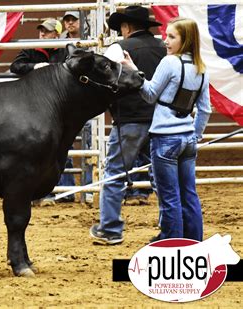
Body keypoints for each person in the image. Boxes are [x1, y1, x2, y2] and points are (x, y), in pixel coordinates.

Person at [122, 17, 211, 241]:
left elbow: (150, 94)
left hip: (165, 139)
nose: (165, 41)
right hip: (187, 139)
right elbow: (205, 109)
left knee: (170, 198)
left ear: (185, 40)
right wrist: (195, 135)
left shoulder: (170, 63)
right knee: (189, 195)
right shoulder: (201, 68)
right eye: (166, 35)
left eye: (172, 37)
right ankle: (194, 244)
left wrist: (134, 73)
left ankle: (174, 246)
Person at [89, 6, 166, 244]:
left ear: (126, 27)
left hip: (129, 119)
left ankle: (110, 229)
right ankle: (170, 228)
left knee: (114, 174)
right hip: (161, 120)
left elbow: (103, 80)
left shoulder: (118, 49)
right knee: (162, 177)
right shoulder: (164, 48)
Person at [10, 19, 75, 204]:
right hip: (33, 107)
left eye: (46, 32)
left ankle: (66, 191)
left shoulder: (64, 50)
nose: (42, 35)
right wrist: (35, 67)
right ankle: (41, 192)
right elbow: (15, 66)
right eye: (41, 31)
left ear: (56, 33)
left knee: (62, 148)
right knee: (40, 151)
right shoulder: (32, 48)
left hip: (58, 108)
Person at [60, 11, 94, 205]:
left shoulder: (89, 41)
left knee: (89, 145)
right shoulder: (60, 44)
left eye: (73, 19)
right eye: (67, 20)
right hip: (67, 102)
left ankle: (88, 189)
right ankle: (66, 190)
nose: (71, 23)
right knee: (63, 145)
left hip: (85, 101)